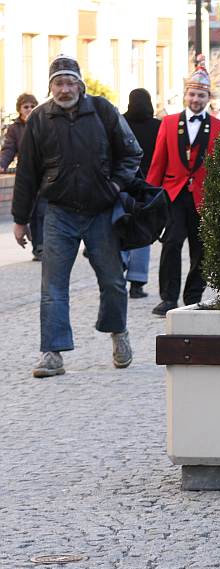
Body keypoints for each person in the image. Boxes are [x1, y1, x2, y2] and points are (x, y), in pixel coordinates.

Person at [12, 54, 143, 378]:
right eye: (59, 82)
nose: (65, 88)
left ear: (80, 85)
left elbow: (132, 153)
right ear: (50, 87)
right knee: (53, 286)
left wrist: (114, 185)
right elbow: (27, 172)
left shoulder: (103, 111)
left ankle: (118, 334)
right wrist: (19, 219)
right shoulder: (40, 119)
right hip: (58, 213)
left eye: (70, 82)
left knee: (113, 281)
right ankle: (52, 353)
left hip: (100, 212)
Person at [147, 57, 220, 317]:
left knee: (200, 249)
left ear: (208, 98)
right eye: (193, 94)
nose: (196, 99)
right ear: (186, 95)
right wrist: (150, 196)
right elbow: (158, 161)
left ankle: (193, 297)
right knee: (171, 243)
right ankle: (168, 298)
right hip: (174, 194)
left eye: (201, 95)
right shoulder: (169, 123)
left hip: (204, 197)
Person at [121, 88, 162, 299]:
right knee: (143, 232)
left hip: (125, 185)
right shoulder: (157, 126)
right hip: (148, 186)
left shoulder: (120, 122)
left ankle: (120, 266)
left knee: (121, 227)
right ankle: (137, 283)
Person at [2, 93, 46, 261]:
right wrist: (3, 163)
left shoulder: (43, 123)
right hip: (27, 174)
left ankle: (43, 245)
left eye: (32, 106)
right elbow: (9, 148)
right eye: (25, 107)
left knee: (43, 209)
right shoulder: (15, 129)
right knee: (33, 211)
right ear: (19, 110)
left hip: (44, 173)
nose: (29, 109)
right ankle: (38, 246)